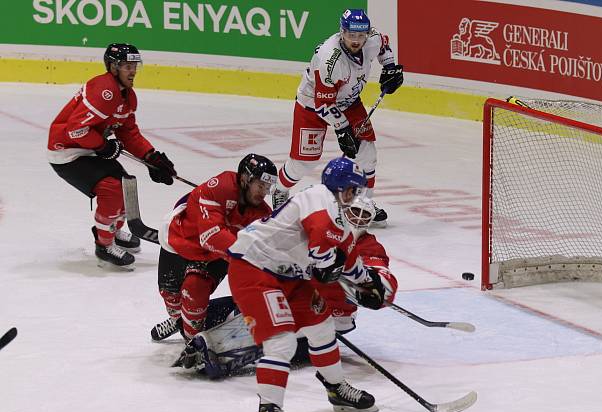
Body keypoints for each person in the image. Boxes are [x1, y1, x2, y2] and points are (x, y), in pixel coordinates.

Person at [226, 156, 380, 412]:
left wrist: (367, 283)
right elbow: (321, 237)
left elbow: (346, 257)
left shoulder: (339, 215)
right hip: (254, 269)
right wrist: (325, 264)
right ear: (339, 186)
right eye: (352, 189)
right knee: (281, 341)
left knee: (322, 326)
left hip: (288, 274)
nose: (354, 196)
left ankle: (336, 389)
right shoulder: (318, 197)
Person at [174, 195, 397, 377]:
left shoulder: (369, 246)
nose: (357, 220)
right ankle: (187, 322)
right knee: (219, 311)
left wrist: (367, 286)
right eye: (353, 212)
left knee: (272, 338)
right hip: (291, 294)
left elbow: (384, 281)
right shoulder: (323, 229)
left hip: (329, 314)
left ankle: (215, 353)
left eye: (364, 216)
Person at [47, 43, 176, 270]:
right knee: (112, 189)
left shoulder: (127, 96)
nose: (133, 71)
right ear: (113, 68)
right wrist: (103, 146)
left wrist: (151, 157)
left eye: (135, 65)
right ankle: (103, 244)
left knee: (125, 186)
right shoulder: (104, 91)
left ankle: (113, 231)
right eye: (127, 66)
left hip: (87, 148)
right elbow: (75, 130)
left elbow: (128, 132)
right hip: (66, 152)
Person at [271, 8, 404, 228]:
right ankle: (280, 189)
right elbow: (323, 103)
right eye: (351, 35)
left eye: (360, 36)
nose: (356, 40)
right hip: (312, 105)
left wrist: (390, 67)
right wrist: (342, 130)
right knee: (304, 162)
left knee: (367, 154)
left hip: (349, 102)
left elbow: (384, 47)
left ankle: (363, 203)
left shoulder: (372, 38)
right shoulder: (329, 60)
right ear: (342, 32)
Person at [151, 154, 275, 342]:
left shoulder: (262, 212)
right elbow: (211, 235)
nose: (263, 192)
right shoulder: (221, 186)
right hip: (180, 240)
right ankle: (178, 320)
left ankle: (193, 343)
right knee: (171, 297)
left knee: (194, 290)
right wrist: (246, 255)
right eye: (260, 185)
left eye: (267, 187)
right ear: (244, 179)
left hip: (215, 255)